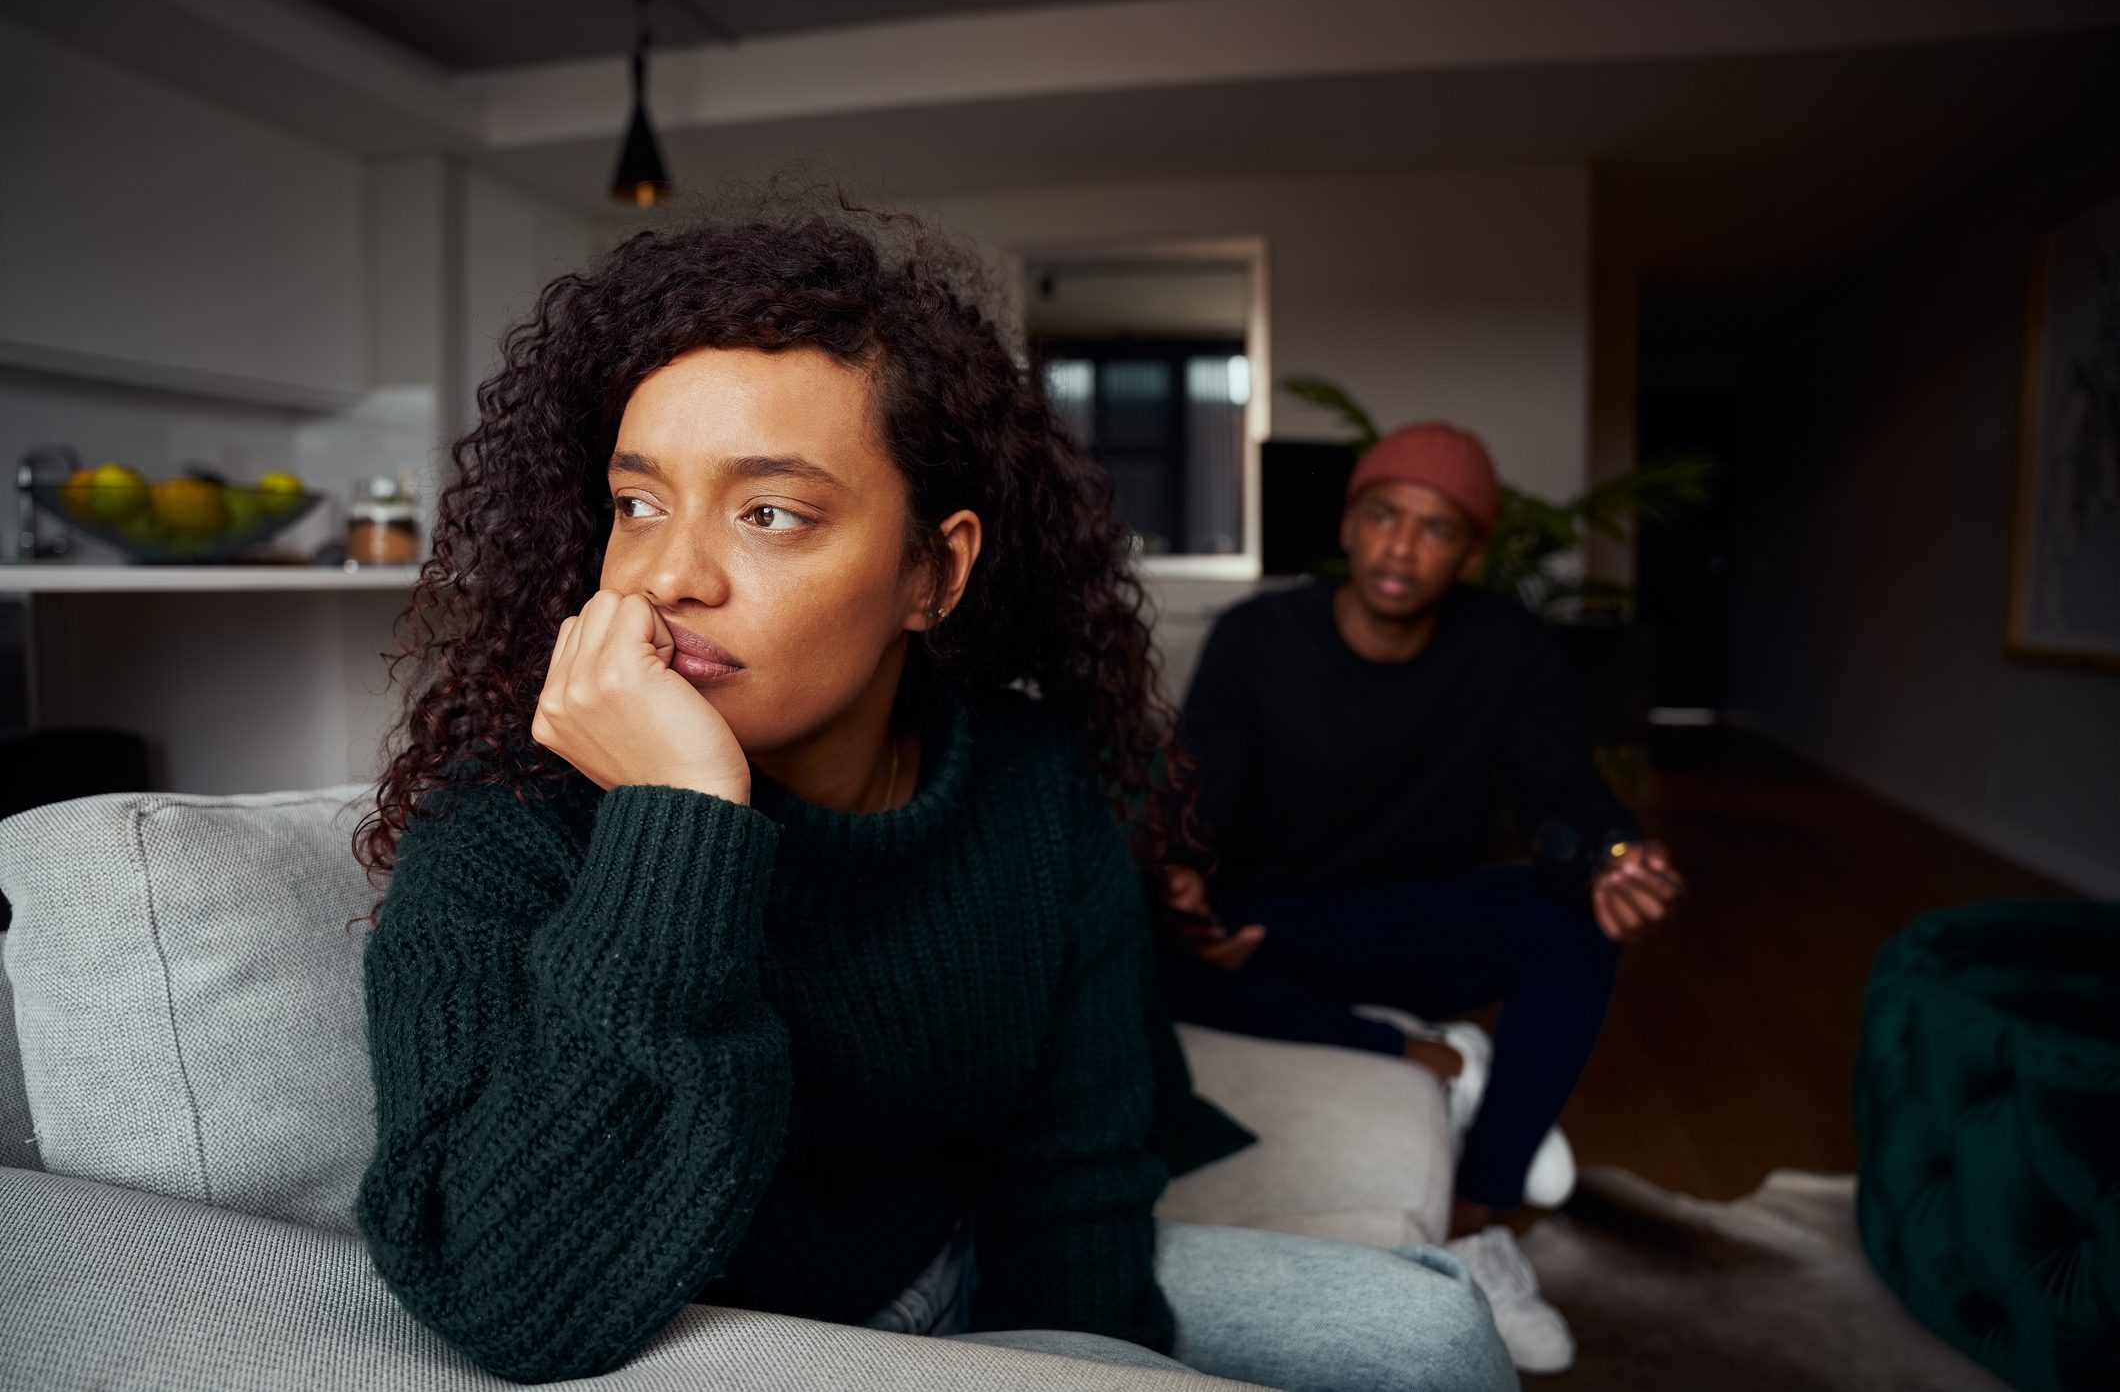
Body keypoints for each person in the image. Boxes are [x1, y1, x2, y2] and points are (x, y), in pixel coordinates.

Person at [351, 197, 1516, 1391]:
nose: (666, 576)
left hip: (966, 1270)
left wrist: (1079, 1364)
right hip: (729, 1332)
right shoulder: (505, 811)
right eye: (638, 502)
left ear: (933, 570)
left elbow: (1078, 1163)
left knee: (1431, 1333)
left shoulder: (1029, 786)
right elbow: (506, 1296)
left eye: (769, 513)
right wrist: (679, 826)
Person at [1159, 422, 1688, 1374]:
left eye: (1435, 529)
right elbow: (1199, 803)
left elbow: (1565, 805)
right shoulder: (1258, 638)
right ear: (1351, 527)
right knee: (1139, 946)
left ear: (1470, 552)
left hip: (1418, 915)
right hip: (1278, 921)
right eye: (1384, 516)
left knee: (1571, 919)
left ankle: (1475, 1224)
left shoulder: (1504, 647)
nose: (1403, 545)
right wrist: (1181, 884)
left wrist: (1614, 858)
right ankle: (1422, 1053)